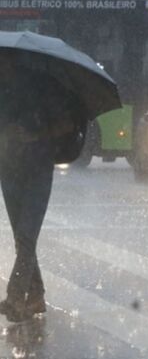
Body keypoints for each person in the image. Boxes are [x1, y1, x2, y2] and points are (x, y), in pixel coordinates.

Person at [0, 50, 79, 322]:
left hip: (37, 169)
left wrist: (34, 135)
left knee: (26, 235)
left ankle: (15, 296)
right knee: (22, 237)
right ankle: (36, 295)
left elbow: (66, 124)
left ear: (11, 59)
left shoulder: (41, 87)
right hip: (8, 170)